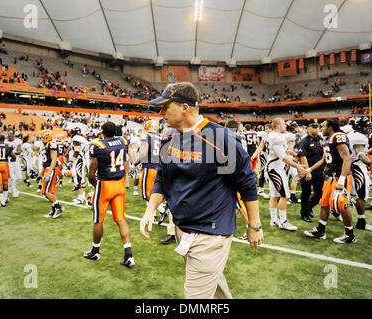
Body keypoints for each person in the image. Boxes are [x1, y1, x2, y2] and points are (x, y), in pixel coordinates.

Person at [140, 82, 263, 299]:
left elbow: (246, 185)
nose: (161, 113)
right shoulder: (170, 136)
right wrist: (150, 211)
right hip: (182, 227)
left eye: (165, 107)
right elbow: (162, 176)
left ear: (184, 108)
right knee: (215, 289)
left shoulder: (221, 139)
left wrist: (254, 225)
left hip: (209, 233)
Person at [84, 121, 135, 269]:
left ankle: (95, 250)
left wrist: (95, 186)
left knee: (98, 219)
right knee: (120, 219)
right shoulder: (123, 140)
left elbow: (92, 173)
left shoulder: (98, 145)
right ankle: (129, 255)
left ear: (102, 132)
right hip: (120, 184)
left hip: (105, 185)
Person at [304, 119, 357, 244]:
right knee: (324, 203)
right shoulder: (328, 139)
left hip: (340, 176)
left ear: (330, 127)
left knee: (341, 205)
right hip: (329, 176)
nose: (320, 128)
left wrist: (342, 179)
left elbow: (347, 159)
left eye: (323, 126)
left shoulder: (338, 137)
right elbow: (324, 160)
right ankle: (320, 231)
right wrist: (309, 169)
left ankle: (350, 235)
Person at [266, 118, 308, 231]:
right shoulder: (276, 137)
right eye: (284, 124)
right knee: (285, 195)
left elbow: (287, 148)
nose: (285, 126)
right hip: (276, 169)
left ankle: (274, 219)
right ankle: (283, 221)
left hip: (274, 168)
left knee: (274, 195)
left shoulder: (277, 136)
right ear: (278, 125)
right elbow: (283, 158)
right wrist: (298, 166)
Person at [348, 117, 372, 231]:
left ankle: (336, 212)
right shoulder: (359, 137)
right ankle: (361, 222)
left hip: (349, 166)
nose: (368, 128)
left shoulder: (350, 134)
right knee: (361, 195)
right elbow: (360, 155)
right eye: (365, 126)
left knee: (349, 193)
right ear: (358, 126)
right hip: (357, 167)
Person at [299, 119, 324, 222]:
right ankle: (304, 213)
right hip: (307, 170)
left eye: (317, 127)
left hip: (319, 171)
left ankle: (309, 208)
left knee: (319, 193)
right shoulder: (304, 141)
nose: (316, 128)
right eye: (313, 127)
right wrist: (307, 172)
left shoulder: (321, 139)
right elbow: (303, 157)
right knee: (306, 193)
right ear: (308, 128)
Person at [41, 130, 64, 219]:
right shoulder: (47, 145)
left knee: (45, 191)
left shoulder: (52, 144)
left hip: (51, 169)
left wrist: (49, 173)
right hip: (49, 168)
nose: (42, 138)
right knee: (51, 190)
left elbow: (54, 160)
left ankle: (58, 207)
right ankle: (54, 209)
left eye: (43, 136)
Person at [7, 131, 22, 198]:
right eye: (9, 135)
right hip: (9, 162)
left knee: (19, 177)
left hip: (16, 161)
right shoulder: (5, 142)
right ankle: (14, 191)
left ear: (13, 136)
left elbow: (19, 151)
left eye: (11, 135)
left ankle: (10, 186)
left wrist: (12, 153)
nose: (10, 137)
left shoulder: (18, 141)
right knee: (12, 177)